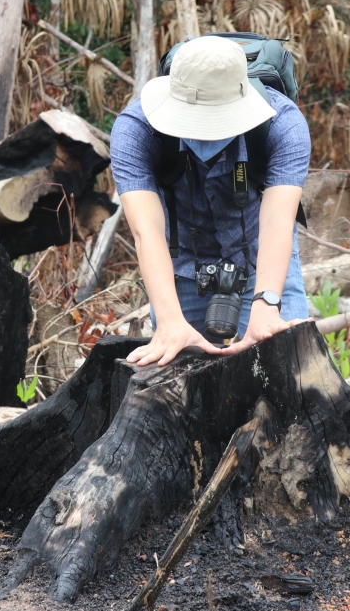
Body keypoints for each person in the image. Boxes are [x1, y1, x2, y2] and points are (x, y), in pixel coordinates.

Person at [111, 35, 311, 367]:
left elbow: (278, 222)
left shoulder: (282, 125)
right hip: (185, 260)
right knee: (176, 378)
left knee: (286, 369)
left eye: (215, 123)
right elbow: (147, 231)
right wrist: (171, 321)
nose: (205, 134)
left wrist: (267, 305)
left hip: (262, 255)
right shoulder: (136, 130)